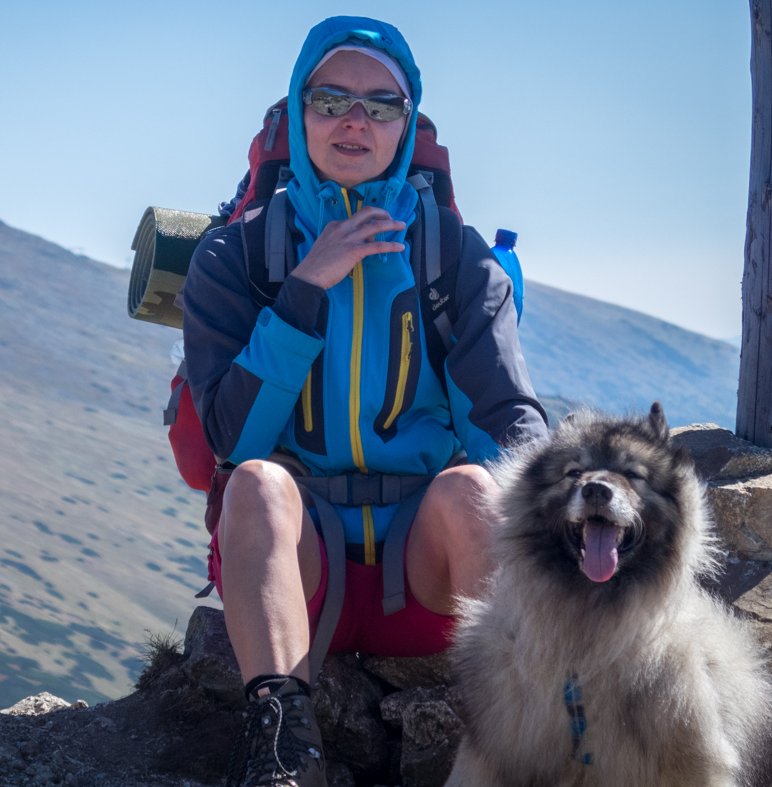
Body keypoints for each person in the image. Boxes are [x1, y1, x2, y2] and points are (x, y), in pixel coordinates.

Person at [181, 16, 547, 787]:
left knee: (474, 491)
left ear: (408, 123)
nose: (355, 120)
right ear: (297, 109)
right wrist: (305, 286)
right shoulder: (236, 255)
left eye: (381, 105)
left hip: (427, 581)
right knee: (255, 482)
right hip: (295, 576)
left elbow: (512, 428)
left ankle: (526, 747)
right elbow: (231, 438)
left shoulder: (451, 255)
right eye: (330, 99)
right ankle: (283, 753)